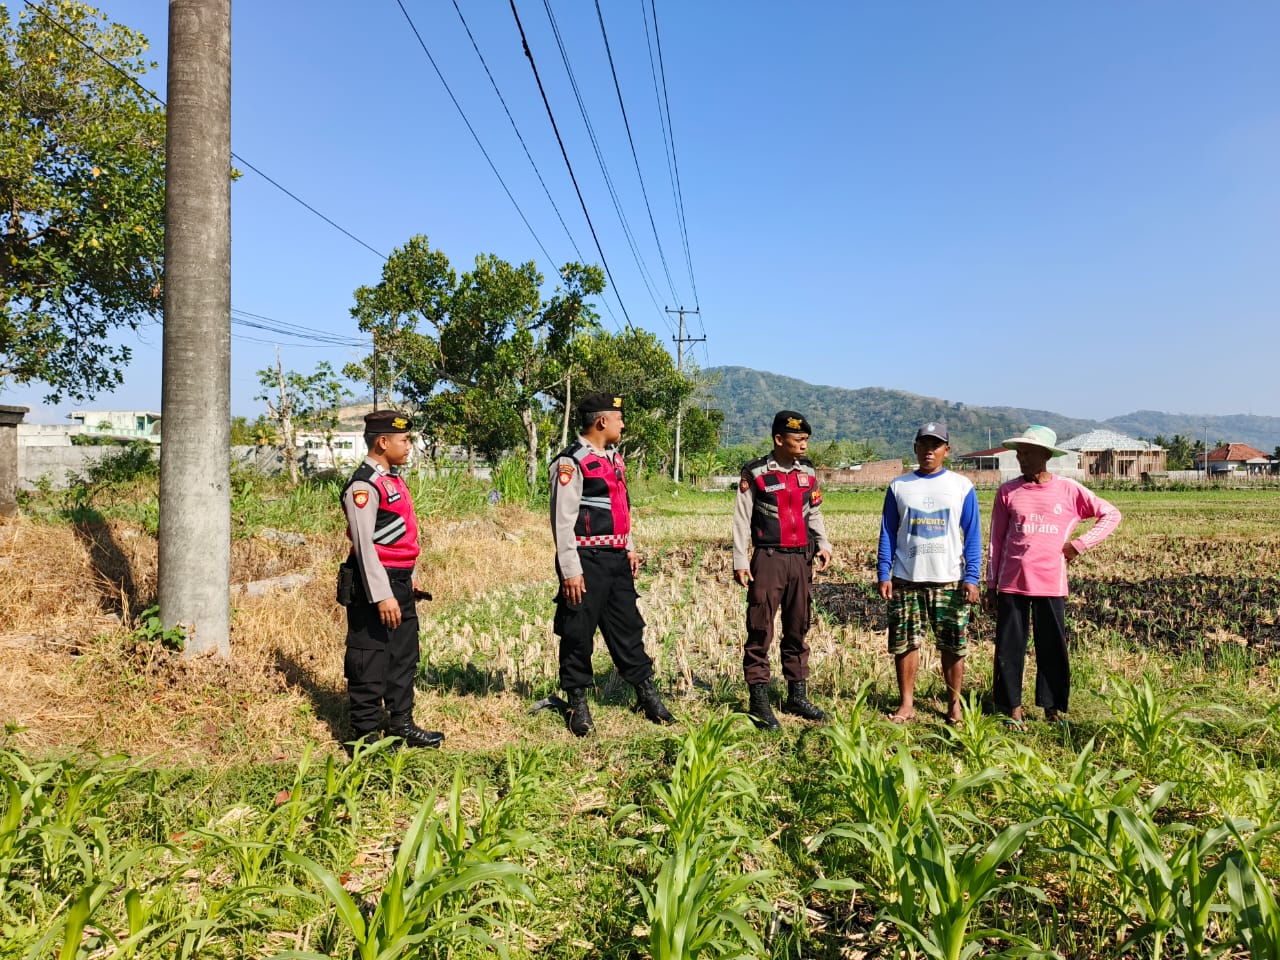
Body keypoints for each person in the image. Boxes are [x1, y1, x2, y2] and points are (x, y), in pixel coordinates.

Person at [549, 392, 673, 737]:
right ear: (601, 422)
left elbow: (621, 508)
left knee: (628, 628)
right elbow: (563, 521)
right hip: (586, 560)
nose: (623, 424)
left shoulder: (614, 459)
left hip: (616, 558)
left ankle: (646, 694)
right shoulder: (570, 462)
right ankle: (578, 703)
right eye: (619, 418)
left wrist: (628, 547)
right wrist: (571, 570)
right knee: (578, 633)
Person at [985, 425, 1121, 726]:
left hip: (1050, 581)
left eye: (1027, 452)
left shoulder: (1069, 490)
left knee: (1052, 647)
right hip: (1012, 581)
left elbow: (1111, 514)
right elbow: (996, 540)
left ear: (1045, 455)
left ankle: (1052, 709)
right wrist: (991, 583)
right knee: (1009, 646)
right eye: (1019, 452)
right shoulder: (1008, 491)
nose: (1021, 458)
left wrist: (1079, 545)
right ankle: (1012, 709)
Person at [337, 410, 443, 749]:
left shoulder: (392, 479)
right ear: (383, 442)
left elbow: (398, 539)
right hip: (373, 584)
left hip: (399, 582)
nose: (409, 446)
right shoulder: (363, 485)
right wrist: (382, 595)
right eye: (404, 440)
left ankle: (401, 725)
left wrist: (408, 578)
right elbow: (365, 546)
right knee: (370, 657)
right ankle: (365, 737)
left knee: (403, 655)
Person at [732, 410, 833, 729]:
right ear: (779, 439)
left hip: (801, 560)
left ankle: (796, 695)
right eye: (798, 439)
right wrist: (739, 559)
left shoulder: (808, 471)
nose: (804, 444)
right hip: (769, 559)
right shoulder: (755, 472)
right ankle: (759, 701)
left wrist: (823, 543)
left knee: (798, 627)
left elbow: (813, 510)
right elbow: (741, 519)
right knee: (760, 628)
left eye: (806, 439)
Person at [877, 423, 982, 724]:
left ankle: (954, 705)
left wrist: (972, 577)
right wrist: (884, 572)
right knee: (906, 643)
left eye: (936, 445)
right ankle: (906, 703)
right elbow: (887, 531)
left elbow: (972, 534)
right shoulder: (900, 486)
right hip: (907, 578)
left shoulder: (962, 486)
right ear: (915, 448)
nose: (929, 451)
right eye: (923, 444)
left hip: (949, 578)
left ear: (946, 450)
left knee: (953, 644)